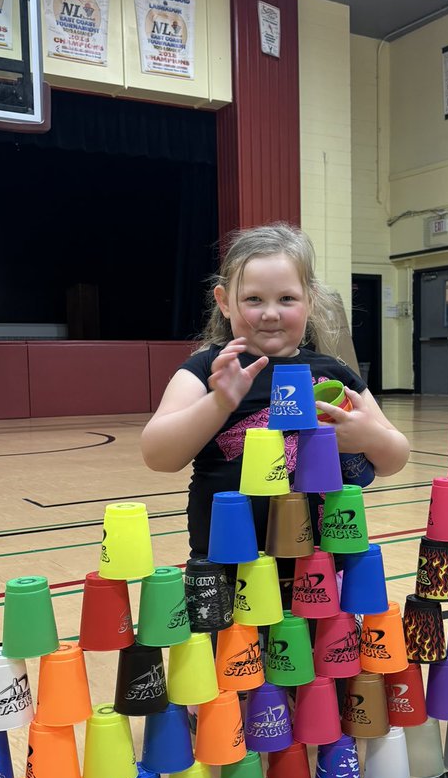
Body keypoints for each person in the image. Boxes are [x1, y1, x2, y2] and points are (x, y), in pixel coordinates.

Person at [141, 223, 411, 556]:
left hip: (322, 564)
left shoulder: (335, 373)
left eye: (287, 299)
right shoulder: (208, 369)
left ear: (310, 300)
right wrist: (219, 402)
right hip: (230, 562)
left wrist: (370, 438)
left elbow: (395, 458)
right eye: (253, 299)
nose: (270, 314)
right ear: (224, 302)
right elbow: (158, 456)